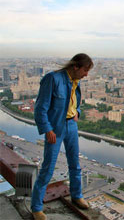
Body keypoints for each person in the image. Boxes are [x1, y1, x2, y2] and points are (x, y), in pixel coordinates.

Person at [31, 53, 93, 220]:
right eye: (85, 70)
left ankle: (76, 196)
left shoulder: (75, 81)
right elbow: (40, 108)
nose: (86, 74)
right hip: (55, 128)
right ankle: (36, 207)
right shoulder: (53, 79)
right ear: (75, 67)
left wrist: (77, 112)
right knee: (48, 168)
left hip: (71, 125)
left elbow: (74, 100)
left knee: (75, 164)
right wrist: (47, 130)